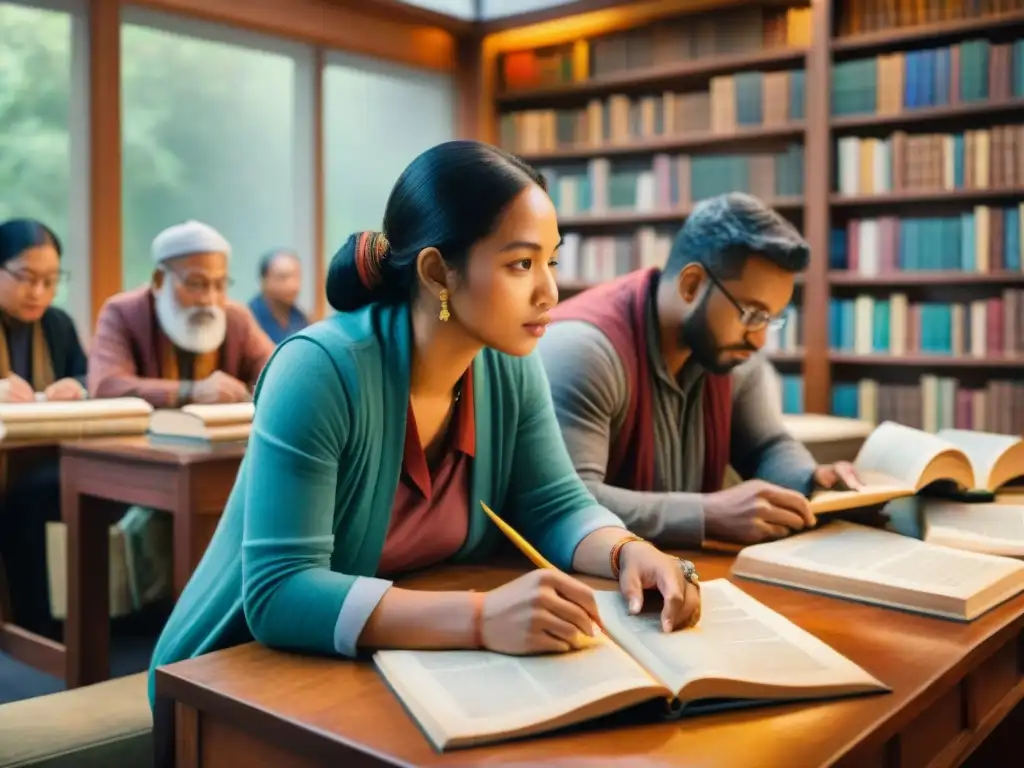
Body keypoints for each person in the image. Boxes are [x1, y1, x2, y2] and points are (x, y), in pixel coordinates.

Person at [147, 141, 701, 765]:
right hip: (236, 682)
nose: (550, 292)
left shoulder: (506, 366)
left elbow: (554, 504)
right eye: (521, 264)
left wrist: (630, 551)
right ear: (438, 273)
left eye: (551, 260)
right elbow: (280, 594)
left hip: (389, 664)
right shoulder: (318, 370)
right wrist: (479, 618)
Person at [537, 193, 861, 548]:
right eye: (751, 314)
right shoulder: (585, 350)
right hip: (579, 581)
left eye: (770, 318)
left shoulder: (729, 352)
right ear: (692, 285)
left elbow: (766, 446)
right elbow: (565, 501)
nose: (759, 339)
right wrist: (707, 515)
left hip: (678, 571)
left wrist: (809, 481)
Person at [0, 218, 88, 638]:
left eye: (51, 280)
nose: (39, 292)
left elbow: (90, 376)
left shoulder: (57, 324)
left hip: (42, 456)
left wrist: (78, 387)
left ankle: (73, 626)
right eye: (26, 278)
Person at [87, 220, 274, 407]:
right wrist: (190, 392)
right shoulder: (122, 313)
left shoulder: (235, 317)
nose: (209, 299)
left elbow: (278, 373)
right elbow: (106, 385)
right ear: (159, 280)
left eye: (219, 285)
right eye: (196, 283)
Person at [248, 248, 309, 344]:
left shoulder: (301, 319)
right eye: (283, 277)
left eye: (296, 277)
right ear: (264, 281)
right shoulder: (250, 317)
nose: (292, 285)